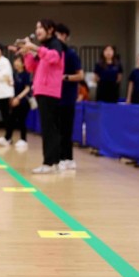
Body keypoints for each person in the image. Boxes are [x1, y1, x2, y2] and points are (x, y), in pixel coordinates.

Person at [16, 19, 65, 174]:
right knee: (49, 127)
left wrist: (35, 48)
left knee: (50, 128)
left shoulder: (55, 43)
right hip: (42, 91)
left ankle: (49, 163)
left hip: (49, 91)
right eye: (36, 27)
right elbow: (31, 67)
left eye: (40, 27)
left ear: (49, 29)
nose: (37, 30)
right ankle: (54, 162)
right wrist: (28, 53)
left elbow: (54, 58)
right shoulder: (43, 47)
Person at [55, 24, 84, 171]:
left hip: (67, 97)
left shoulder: (71, 55)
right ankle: (60, 158)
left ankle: (69, 158)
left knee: (66, 129)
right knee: (57, 130)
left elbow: (80, 75)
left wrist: (64, 77)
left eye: (58, 35)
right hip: (54, 97)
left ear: (65, 36)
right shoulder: (54, 54)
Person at [7, 55, 32, 150]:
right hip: (14, 100)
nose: (16, 63)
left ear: (23, 63)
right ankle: (8, 138)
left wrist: (18, 98)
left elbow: (27, 88)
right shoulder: (14, 74)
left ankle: (23, 139)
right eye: (15, 60)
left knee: (22, 120)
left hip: (23, 101)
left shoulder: (26, 74)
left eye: (18, 61)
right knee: (11, 120)